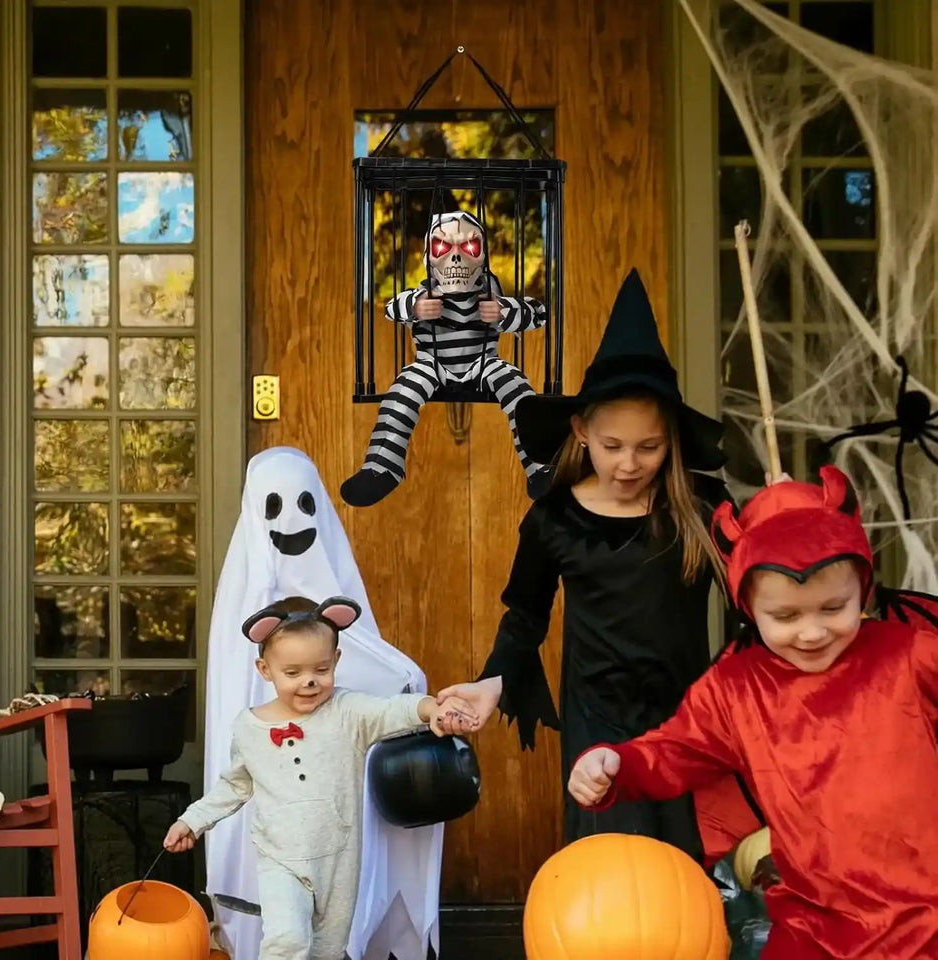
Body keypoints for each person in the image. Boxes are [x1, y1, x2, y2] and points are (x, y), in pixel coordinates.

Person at [568, 465, 938, 959]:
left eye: (834, 608)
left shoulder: (911, 653)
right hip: (813, 926)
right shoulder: (736, 688)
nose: (812, 632)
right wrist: (619, 765)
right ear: (747, 607)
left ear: (863, 590)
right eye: (785, 616)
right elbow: (674, 750)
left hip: (927, 917)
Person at [437, 267, 732, 858]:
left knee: (687, 863)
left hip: (689, 718)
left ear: (672, 439)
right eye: (612, 445)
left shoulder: (703, 510)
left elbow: (758, 596)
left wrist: (780, 525)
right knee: (614, 864)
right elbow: (525, 616)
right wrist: (494, 681)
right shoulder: (555, 519)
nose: (629, 464)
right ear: (580, 431)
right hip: (597, 720)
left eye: (649, 447)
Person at [202, 447, 442, 960]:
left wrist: (414, 691)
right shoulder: (241, 603)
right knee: (284, 929)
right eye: (274, 507)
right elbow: (234, 750)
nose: (291, 522)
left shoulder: (335, 607)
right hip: (272, 823)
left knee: (331, 932)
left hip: (334, 831)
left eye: (305, 504)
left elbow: (366, 673)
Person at [166, 594, 476, 960]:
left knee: (327, 950)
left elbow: (394, 710)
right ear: (265, 669)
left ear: (336, 661)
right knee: (287, 940)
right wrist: (192, 821)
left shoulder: (347, 712)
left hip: (339, 859)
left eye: (321, 669)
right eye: (293, 673)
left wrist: (432, 709)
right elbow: (235, 784)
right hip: (280, 858)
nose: (309, 682)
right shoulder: (249, 727)